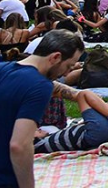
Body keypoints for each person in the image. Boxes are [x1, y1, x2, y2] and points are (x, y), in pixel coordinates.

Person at [1, 30, 84, 188]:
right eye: (69, 66)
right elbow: (20, 145)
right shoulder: (40, 86)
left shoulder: (3, 69)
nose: (67, 72)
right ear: (55, 57)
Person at [33, 88, 108, 151]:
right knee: (83, 94)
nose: (37, 128)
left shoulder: (49, 139)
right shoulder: (40, 145)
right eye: (35, 131)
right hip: (96, 133)